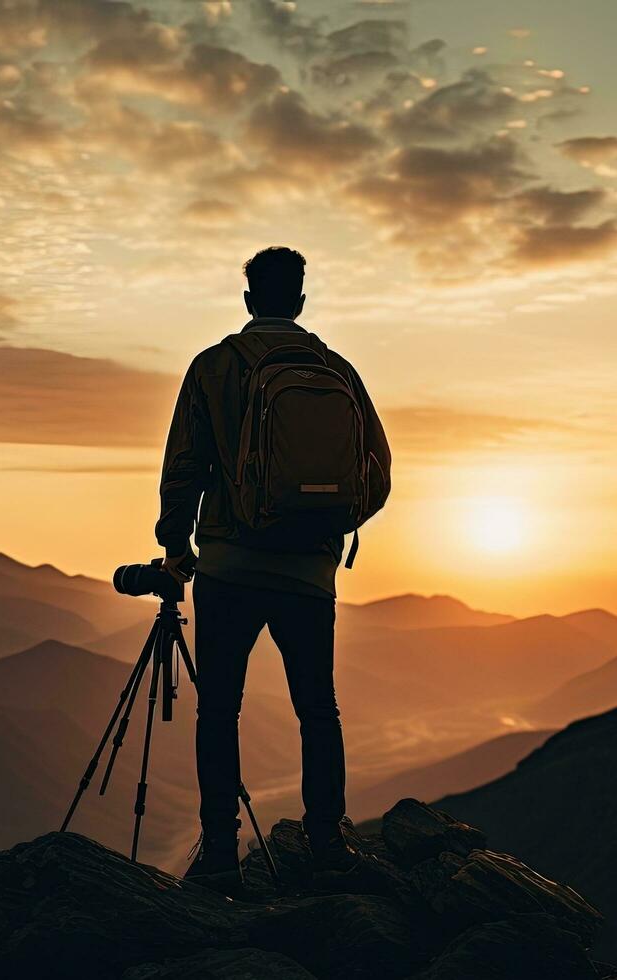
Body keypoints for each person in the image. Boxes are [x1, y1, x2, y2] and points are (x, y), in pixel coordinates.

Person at [156, 246, 392, 882]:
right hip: (309, 575)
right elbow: (379, 471)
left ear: (248, 299)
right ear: (302, 301)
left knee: (219, 711)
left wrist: (176, 546)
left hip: (228, 568)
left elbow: (184, 468)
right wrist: (329, 528)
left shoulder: (213, 367)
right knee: (318, 710)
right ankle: (326, 846)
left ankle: (219, 855)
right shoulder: (336, 369)